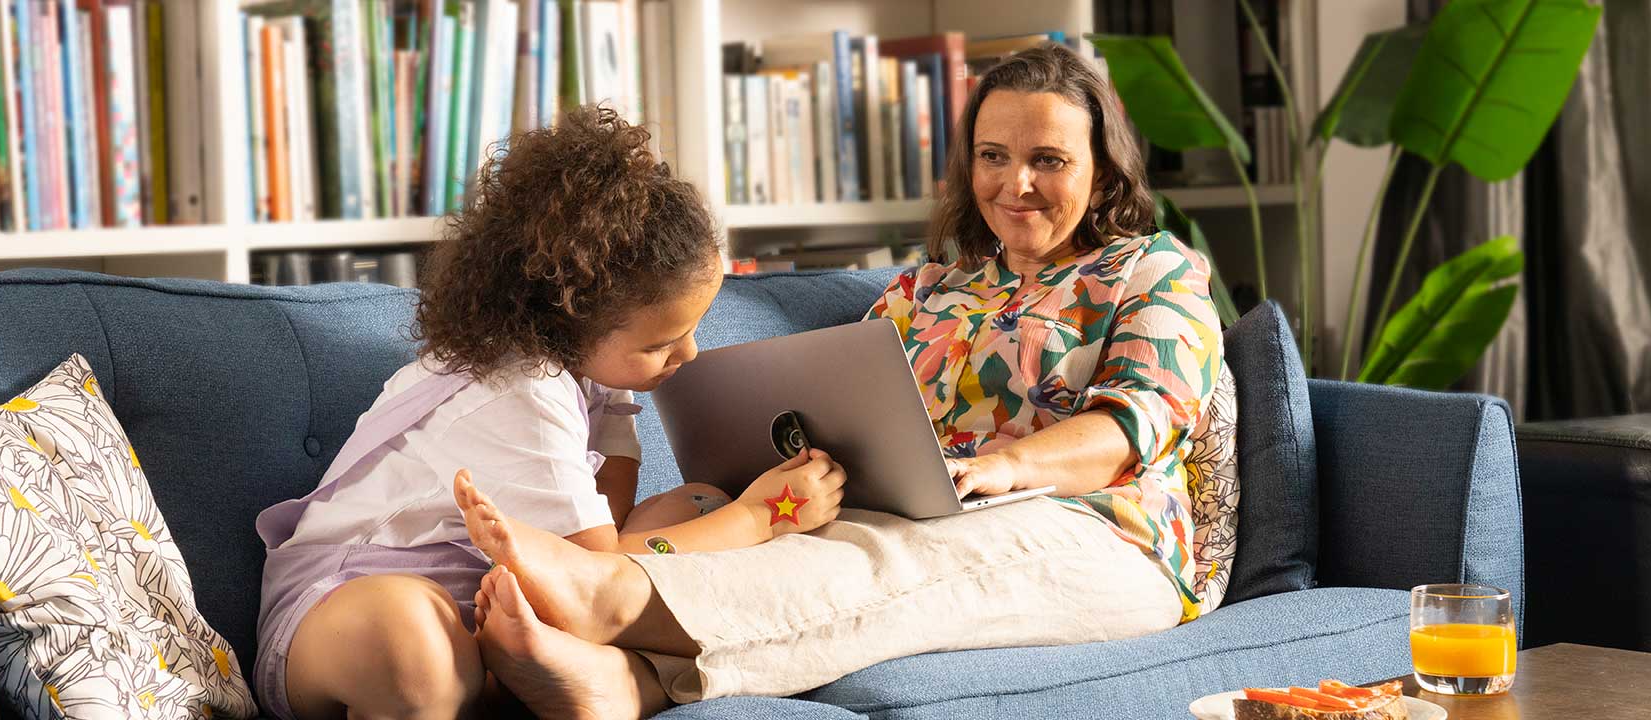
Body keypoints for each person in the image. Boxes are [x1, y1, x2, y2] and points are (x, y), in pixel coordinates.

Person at [458, 44, 1227, 718]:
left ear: (1102, 168)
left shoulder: (1153, 271)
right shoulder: (921, 290)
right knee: (773, 529)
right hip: (908, 516)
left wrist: (1006, 465)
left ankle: (612, 593)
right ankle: (623, 686)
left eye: (1048, 160)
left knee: (895, 563)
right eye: (993, 155)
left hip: (1102, 536)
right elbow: (849, 408)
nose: (1014, 182)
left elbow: (1139, 421)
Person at [251, 107, 852, 720]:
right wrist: (762, 516)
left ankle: (517, 670)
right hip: (344, 606)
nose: (689, 354)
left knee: (698, 503)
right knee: (415, 643)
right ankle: (504, 679)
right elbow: (594, 574)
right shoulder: (521, 390)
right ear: (569, 317)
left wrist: (720, 512)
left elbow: (605, 534)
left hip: (495, 596)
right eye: (659, 343)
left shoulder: (591, 369)